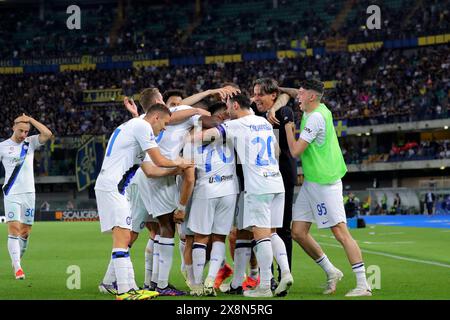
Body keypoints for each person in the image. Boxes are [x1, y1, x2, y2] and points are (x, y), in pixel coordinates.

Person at [94, 103, 191, 300]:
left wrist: (175, 169)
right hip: (113, 188)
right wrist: (181, 162)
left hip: (114, 187)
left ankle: (130, 288)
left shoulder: (134, 128)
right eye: (164, 124)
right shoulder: (143, 127)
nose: (164, 129)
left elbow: (151, 171)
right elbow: (159, 161)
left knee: (125, 238)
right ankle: (124, 291)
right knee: (122, 239)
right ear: (155, 117)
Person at [200, 93, 293, 298]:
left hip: (258, 186)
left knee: (261, 238)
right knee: (272, 232)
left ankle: (265, 286)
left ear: (235, 106)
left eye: (227, 107)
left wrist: (190, 135)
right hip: (276, 182)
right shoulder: (263, 122)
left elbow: (206, 136)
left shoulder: (237, 125)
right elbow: (276, 151)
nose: (226, 112)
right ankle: (285, 272)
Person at [285, 79, 372, 297]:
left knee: (341, 233)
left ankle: (363, 285)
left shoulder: (315, 118)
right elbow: (297, 90)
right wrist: (279, 89)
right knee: (297, 232)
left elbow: (295, 151)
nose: (298, 97)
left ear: (311, 97)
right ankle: (331, 271)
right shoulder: (317, 106)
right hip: (312, 181)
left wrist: (288, 126)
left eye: (302, 94)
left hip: (325, 182)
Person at [252, 78, 296, 284]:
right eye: (255, 94)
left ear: (273, 95)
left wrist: (275, 106)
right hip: (259, 179)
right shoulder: (253, 111)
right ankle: (267, 277)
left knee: (282, 228)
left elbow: (290, 93)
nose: (256, 98)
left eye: (260, 94)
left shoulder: (283, 113)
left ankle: (284, 275)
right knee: (261, 229)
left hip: (283, 174)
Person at [0, 113, 52, 280]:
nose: (23, 134)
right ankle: (18, 268)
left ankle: (17, 259)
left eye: (26, 131)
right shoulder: (2, 146)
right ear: (13, 127)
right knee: (14, 229)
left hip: (29, 193)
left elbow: (47, 134)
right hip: (11, 192)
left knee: (25, 232)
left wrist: (31, 120)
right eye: (21, 130)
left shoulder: (30, 143)